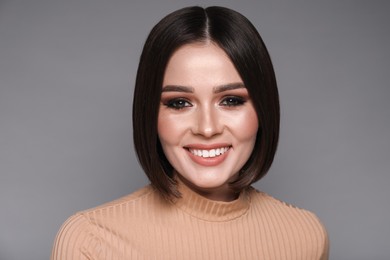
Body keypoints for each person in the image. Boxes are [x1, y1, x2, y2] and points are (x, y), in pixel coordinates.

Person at [51, 6, 329, 259]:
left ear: (263, 110)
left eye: (231, 100)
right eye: (179, 103)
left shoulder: (305, 236)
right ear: (150, 114)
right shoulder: (90, 241)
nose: (207, 128)